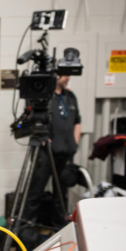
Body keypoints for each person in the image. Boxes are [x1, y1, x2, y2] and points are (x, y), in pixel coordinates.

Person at [24, 74, 81, 228]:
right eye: (64, 74)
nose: (68, 78)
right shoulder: (42, 97)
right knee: (34, 193)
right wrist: (43, 137)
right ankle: (28, 229)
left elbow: (77, 122)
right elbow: (31, 119)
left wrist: (74, 143)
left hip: (65, 154)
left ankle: (59, 230)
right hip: (45, 153)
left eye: (69, 74)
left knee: (61, 196)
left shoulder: (70, 97)